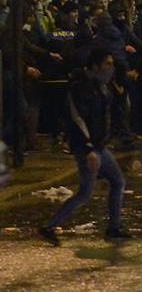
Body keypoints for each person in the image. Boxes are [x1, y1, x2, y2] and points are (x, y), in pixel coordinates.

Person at [37, 50, 129, 246]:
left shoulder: (100, 85)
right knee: (86, 192)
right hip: (88, 147)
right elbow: (77, 117)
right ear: (95, 65)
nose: (110, 68)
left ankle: (114, 227)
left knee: (117, 181)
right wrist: (88, 148)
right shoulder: (81, 87)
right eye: (107, 64)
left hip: (98, 145)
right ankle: (50, 226)